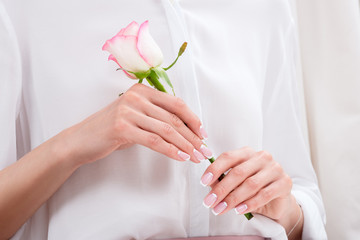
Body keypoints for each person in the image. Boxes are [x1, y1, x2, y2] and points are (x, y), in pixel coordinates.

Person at [0, 0, 327, 239]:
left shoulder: (265, 8)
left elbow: (302, 197)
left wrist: (283, 210)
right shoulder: (22, 10)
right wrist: (70, 146)